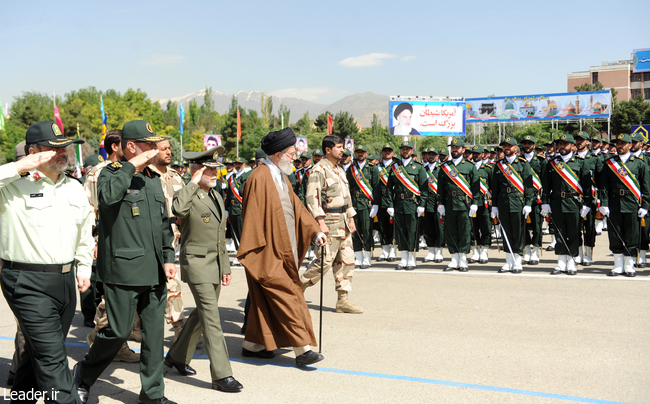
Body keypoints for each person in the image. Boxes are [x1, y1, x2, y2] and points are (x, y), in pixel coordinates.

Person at [74, 120, 177, 404]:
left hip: (155, 270)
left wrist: (168, 257)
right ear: (132, 146)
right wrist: (133, 164)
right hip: (124, 269)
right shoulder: (111, 173)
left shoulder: (154, 180)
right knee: (117, 331)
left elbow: (163, 224)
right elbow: (107, 198)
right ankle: (83, 374)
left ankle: (153, 394)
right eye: (150, 144)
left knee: (154, 337)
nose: (156, 149)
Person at [1, 121, 93, 404]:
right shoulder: (12, 186)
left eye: (64, 147)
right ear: (32, 152)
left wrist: (84, 266)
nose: (62, 153)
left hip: (65, 282)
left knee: (36, 353)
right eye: (53, 148)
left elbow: (84, 233)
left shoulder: (74, 188)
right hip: (26, 281)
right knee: (53, 359)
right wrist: (21, 166)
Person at [237, 127, 327, 367]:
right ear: (277, 154)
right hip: (268, 252)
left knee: (263, 303)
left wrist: (315, 231)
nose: (294, 157)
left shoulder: (280, 176)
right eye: (290, 152)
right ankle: (303, 349)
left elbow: (297, 208)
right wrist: (260, 253)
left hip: (284, 250)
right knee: (289, 296)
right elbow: (254, 220)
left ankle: (252, 345)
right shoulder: (259, 177)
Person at [164, 146, 243, 392]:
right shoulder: (187, 193)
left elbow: (220, 236)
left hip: (215, 264)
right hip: (197, 264)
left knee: (200, 314)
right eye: (210, 169)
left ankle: (176, 356)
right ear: (196, 170)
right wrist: (193, 181)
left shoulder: (215, 196)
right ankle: (221, 374)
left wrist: (226, 266)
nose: (215, 174)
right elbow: (178, 209)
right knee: (211, 318)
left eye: (217, 169)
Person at [84, 129, 141, 364]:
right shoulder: (98, 173)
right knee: (111, 297)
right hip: (105, 241)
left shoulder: (132, 171)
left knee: (122, 298)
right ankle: (104, 341)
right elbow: (88, 210)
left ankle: (108, 339)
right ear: (116, 147)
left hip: (129, 242)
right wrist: (92, 241)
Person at [302, 135, 363, 313]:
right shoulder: (319, 169)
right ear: (328, 150)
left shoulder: (339, 169)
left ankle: (342, 300)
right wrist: (320, 222)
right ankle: (298, 287)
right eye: (338, 147)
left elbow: (347, 197)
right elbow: (311, 198)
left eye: (342, 146)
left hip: (344, 221)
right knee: (324, 262)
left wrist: (351, 218)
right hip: (329, 222)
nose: (342, 150)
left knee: (346, 261)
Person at [598, 133, 650, 277]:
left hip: (632, 204)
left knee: (631, 235)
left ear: (630, 145)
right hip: (614, 203)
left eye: (622, 143)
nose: (619, 146)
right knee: (615, 234)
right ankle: (617, 265)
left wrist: (645, 206)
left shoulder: (639, 163)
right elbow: (604, 186)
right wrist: (604, 203)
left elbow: (646, 186)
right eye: (617, 144)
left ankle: (629, 264)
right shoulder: (609, 164)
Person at [149, 139, 186, 339]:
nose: (169, 152)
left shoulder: (176, 177)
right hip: (149, 239)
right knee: (170, 283)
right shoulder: (144, 175)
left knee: (169, 283)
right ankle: (180, 328)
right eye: (164, 149)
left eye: (170, 149)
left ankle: (180, 329)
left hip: (172, 240)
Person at [541, 134, 593, 275]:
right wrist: (545, 202)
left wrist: (588, 204)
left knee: (574, 233)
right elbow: (546, 185)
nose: (561, 146)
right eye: (559, 144)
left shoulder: (581, 162)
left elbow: (587, 186)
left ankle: (571, 261)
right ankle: (561, 262)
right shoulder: (551, 163)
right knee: (559, 233)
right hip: (557, 202)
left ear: (572, 146)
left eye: (565, 144)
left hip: (573, 203)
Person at [492, 137, 534, 273]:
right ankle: (509, 261)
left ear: (516, 148)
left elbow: (529, 186)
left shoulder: (523, 164)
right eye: (505, 146)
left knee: (518, 232)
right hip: (503, 202)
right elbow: (495, 187)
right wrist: (494, 205)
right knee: (506, 232)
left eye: (509, 146)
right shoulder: (498, 165)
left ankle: (518, 260)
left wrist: (528, 203)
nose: (506, 148)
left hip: (517, 202)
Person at [385, 141, 428, 270]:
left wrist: (422, 205)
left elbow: (424, 188)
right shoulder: (394, 167)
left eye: (407, 149)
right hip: (398, 204)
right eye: (403, 149)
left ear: (412, 150)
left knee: (412, 232)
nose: (405, 151)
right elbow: (388, 189)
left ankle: (412, 258)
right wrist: (390, 205)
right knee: (400, 232)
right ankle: (403, 258)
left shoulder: (418, 167)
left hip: (412, 204)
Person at [437, 138, 479, 271]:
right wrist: (441, 203)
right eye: (452, 147)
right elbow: (440, 188)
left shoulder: (470, 166)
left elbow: (476, 187)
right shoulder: (444, 167)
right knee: (450, 232)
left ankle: (463, 259)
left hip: (464, 204)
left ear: (463, 149)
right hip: (449, 204)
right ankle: (454, 259)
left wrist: (475, 203)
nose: (454, 149)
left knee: (464, 232)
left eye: (457, 147)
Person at [347, 144, 380, 269]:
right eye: (358, 152)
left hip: (367, 204)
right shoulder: (351, 169)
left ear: (366, 154)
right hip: (355, 203)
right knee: (355, 231)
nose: (360, 154)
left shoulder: (372, 168)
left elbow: (376, 187)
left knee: (366, 231)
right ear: (355, 154)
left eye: (362, 152)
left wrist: (376, 204)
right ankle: (358, 257)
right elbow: (347, 187)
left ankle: (367, 257)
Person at [520, 135, 546, 265]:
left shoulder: (541, 161)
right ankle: (527, 251)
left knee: (537, 226)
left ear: (534, 146)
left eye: (529, 144)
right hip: (521, 199)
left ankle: (535, 251)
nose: (527, 146)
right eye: (525, 144)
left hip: (537, 199)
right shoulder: (518, 160)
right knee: (523, 226)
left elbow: (546, 182)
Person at [468, 145, 493, 264]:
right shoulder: (468, 167)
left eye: (478, 153)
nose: (476, 155)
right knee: (473, 227)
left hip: (484, 203)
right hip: (471, 203)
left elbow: (493, 186)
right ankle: (475, 250)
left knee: (486, 227)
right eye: (474, 153)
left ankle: (484, 250)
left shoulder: (488, 168)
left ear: (483, 154)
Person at [422, 147, 444, 263]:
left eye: (433, 155)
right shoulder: (422, 169)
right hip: (427, 202)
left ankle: (439, 251)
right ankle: (431, 251)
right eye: (429, 154)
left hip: (438, 202)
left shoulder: (441, 169)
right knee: (428, 227)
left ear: (437, 156)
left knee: (439, 228)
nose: (431, 156)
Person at [376, 143, 397, 262]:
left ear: (393, 153)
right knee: (382, 226)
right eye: (385, 151)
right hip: (380, 200)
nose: (387, 153)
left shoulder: (396, 167)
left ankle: (393, 250)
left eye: (389, 151)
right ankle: (385, 250)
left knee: (393, 227)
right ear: (382, 153)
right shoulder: (376, 167)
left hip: (393, 200)